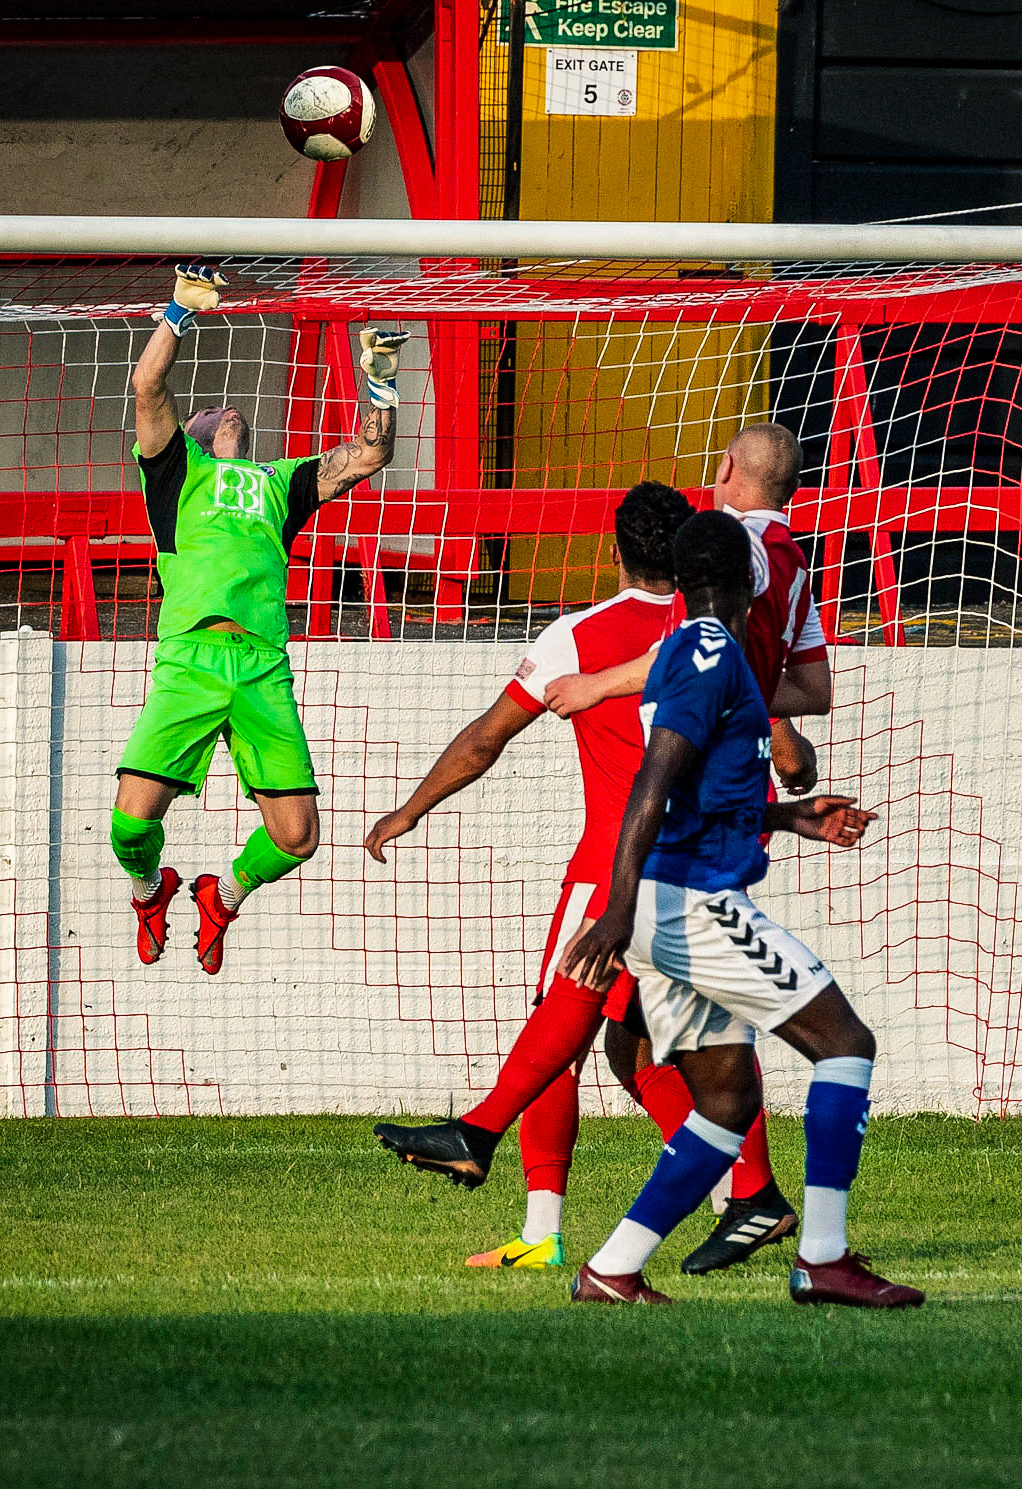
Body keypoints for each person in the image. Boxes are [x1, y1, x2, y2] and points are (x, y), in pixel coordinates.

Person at [561, 510, 922, 1310]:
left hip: (673, 898)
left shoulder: (687, 650)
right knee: (845, 1043)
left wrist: (789, 816)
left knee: (726, 1102)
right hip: (690, 903)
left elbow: (695, 793)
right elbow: (653, 779)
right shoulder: (710, 652)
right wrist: (617, 907)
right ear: (750, 581)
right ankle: (822, 1256)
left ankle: (611, 1271)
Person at [367, 483, 708, 1268]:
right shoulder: (711, 630)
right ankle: (741, 1194)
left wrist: (409, 809)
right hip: (698, 866)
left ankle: (538, 1230)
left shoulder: (578, 635)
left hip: (612, 870)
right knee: (650, 1050)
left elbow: (485, 739)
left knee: (559, 1037)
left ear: (613, 550)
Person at [543, 423, 832, 1272]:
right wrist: (761, 712)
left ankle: (488, 1142)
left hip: (682, 844)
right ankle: (720, 1216)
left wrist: (597, 682)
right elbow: (812, 686)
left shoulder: (724, 553)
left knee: (587, 1001)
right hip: (723, 820)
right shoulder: (796, 563)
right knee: (649, 1049)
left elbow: (690, 655)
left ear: (727, 469)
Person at [114, 261, 407, 974]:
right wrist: (180, 311)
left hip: (262, 668)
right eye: (212, 411)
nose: (228, 411)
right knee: (129, 826)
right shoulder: (178, 471)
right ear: (194, 432)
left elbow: (371, 452)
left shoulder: (280, 483)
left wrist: (379, 378)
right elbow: (147, 386)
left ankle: (223, 896)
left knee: (298, 836)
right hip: (191, 660)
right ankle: (150, 890)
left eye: (234, 413)